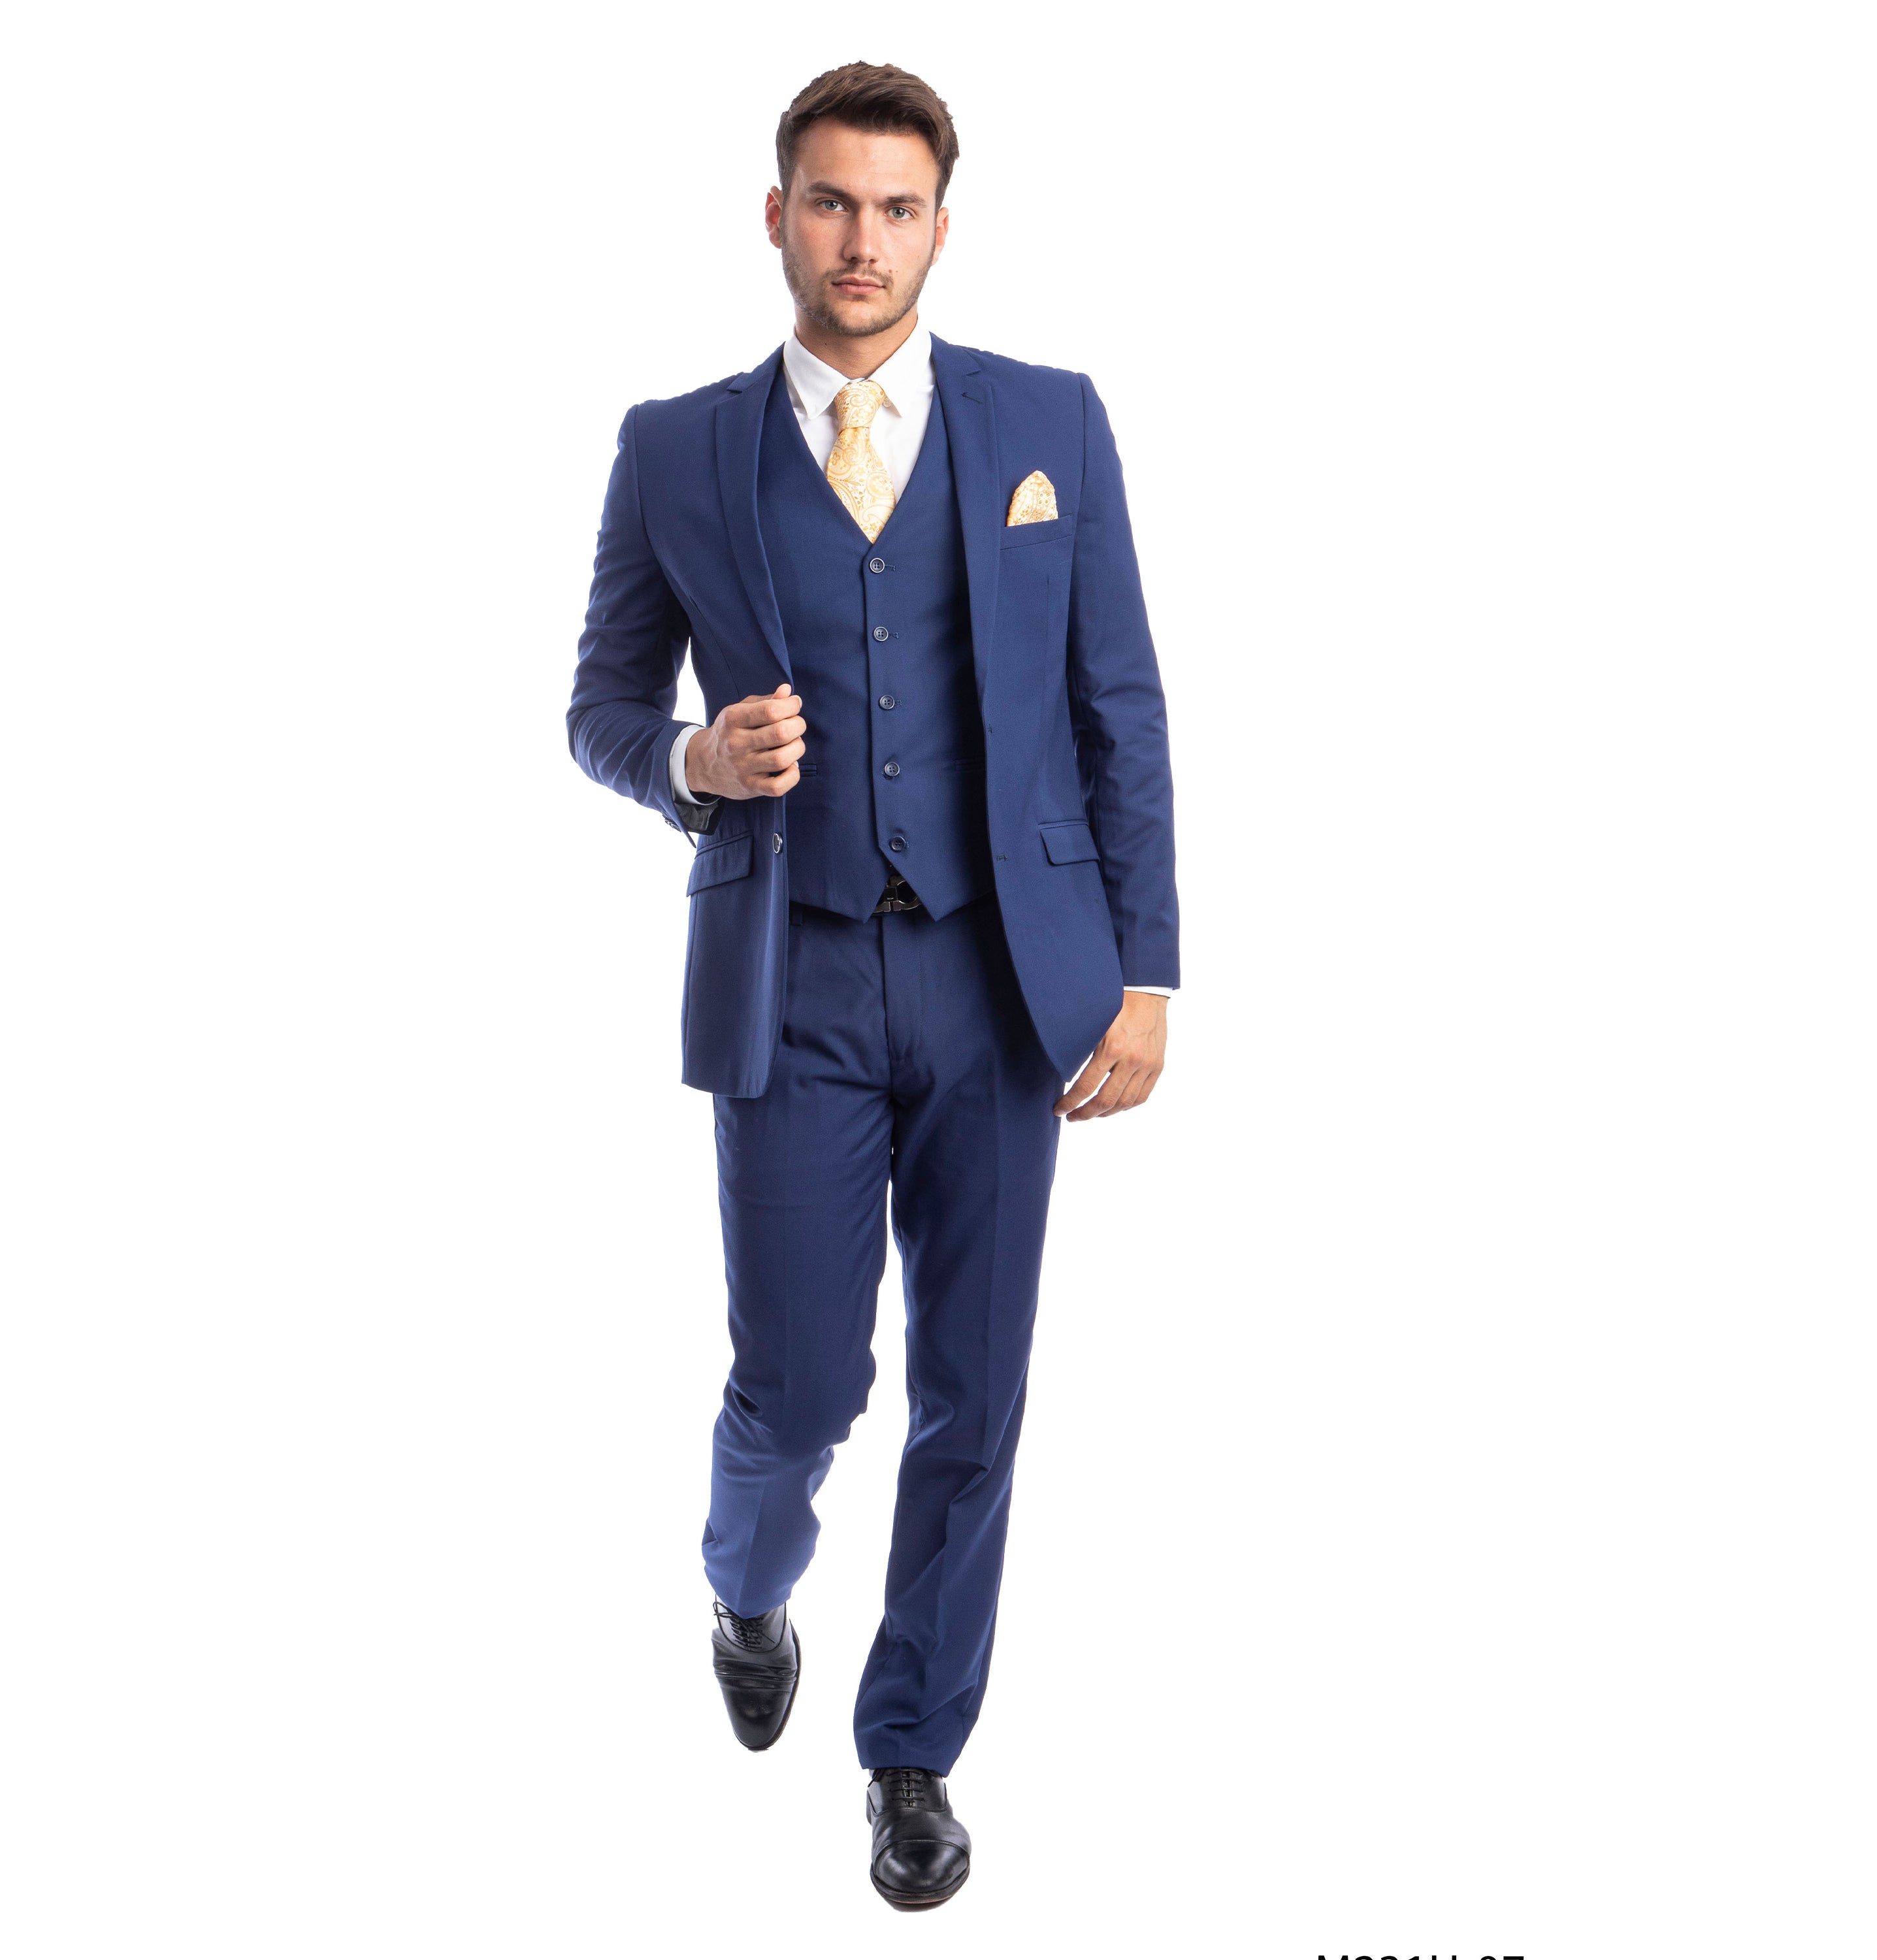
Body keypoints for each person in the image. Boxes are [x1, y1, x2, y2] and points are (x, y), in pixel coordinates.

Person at [565, 61, 1179, 1910]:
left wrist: (1145, 971)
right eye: (830, 203)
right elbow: (598, 709)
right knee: (802, 1384)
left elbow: (1120, 707)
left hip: (1006, 979)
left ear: (940, 227)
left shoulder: (1049, 421)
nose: (862, 240)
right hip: (795, 979)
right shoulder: (675, 448)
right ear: (778, 217)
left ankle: (911, 1751)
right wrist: (691, 761)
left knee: (976, 1395)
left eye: (896, 208)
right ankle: (745, 1581)